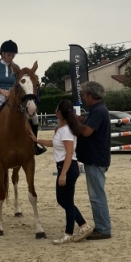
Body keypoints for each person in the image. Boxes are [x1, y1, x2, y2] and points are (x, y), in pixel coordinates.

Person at [31, 100, 93, 245]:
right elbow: (54, 143)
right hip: (65, 166)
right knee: (62, 200)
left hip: (67, 166)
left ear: (60, 112)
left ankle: (69, 233)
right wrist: (37, 140)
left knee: (67, 201)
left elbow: (69, 152)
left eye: (57, 108)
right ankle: (83, 225)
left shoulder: (66, 131)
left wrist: (63, 173)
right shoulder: (63, 129)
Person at [0, 39, 45, 160]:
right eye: (8, 55)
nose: (11, 57)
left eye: (13, 55)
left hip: (14, 99)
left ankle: (35, 145)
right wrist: (2, 92)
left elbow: (21, 84)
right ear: (2, 54)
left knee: (35, 117)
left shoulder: (16, 67)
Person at [77, 81, 112, 240]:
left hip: (95, 158)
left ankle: (103, 229)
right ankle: (102, 226)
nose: (83, 97)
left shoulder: (98, 111)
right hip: (96, 157)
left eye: (84, 94)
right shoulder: (97, 109)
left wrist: (74, 123)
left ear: (91, 95)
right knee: (97, 194)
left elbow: (86, 132)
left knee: (97, 195)